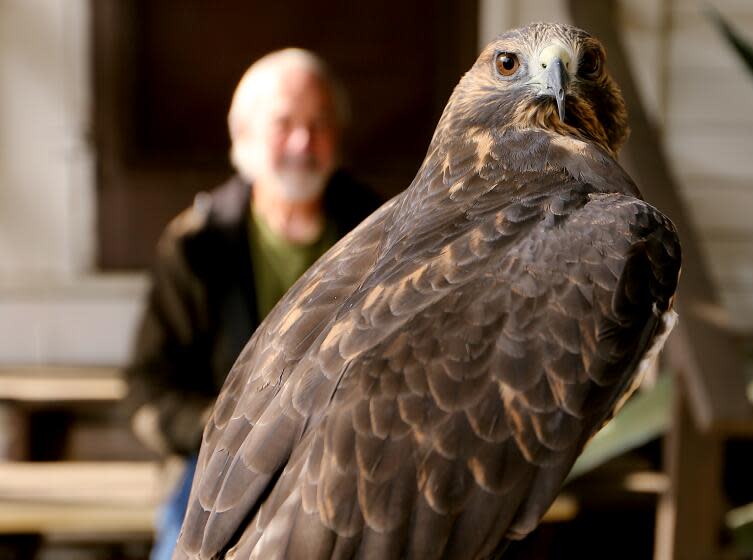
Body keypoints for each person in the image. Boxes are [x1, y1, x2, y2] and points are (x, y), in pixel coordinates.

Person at [124, 48, 381, 560]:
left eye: (320, 123)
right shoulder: (196, 245)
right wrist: (228, 437)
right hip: (218, 477)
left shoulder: (381, 232)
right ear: (243, 136)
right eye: (284, 123)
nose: (304, 142)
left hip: (352, 470)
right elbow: (147, 389)